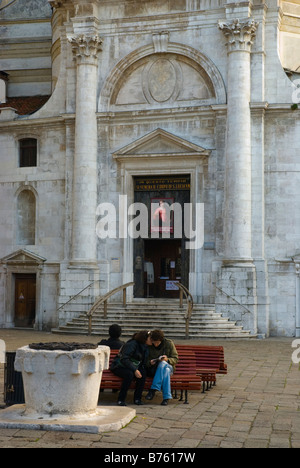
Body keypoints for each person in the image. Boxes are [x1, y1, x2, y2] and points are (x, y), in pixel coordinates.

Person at [110, 330, 152, 406]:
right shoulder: (132, 344)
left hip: (133, 366)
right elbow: (124, 359)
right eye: (150, 338)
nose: (151, 340)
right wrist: (135, 370)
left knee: (142, 373)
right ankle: (121, 399)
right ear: (144, 338)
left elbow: (142, 360)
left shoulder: (145, 346)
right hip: (119, 366)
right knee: (129, 374)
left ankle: (137, 399)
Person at [146, 329, 179, 406]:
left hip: (169, 366)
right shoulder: (149, 346)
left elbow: (176, 359)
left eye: (157, 342)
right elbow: (145, 361)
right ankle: (166, 398)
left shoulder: (169, 343)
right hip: (155, 369)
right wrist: (150, 362)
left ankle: (153, 389)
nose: (155, 344)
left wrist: (167, 360)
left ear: (161, 340)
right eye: (154, 342)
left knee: (163, 363)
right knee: (166, 371)